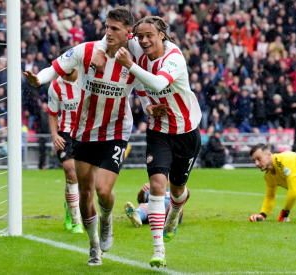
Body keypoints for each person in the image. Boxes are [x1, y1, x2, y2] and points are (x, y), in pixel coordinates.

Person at [23, 7, 146, 266]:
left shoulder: (136, 55)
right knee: (85, 190)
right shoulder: (86, 50)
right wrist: (39, 79)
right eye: (107, 27)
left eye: (115, 29)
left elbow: (154, 61)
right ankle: (93, 247)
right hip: (84, 131)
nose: (108, 32)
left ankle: (107, 220)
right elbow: (55, 67)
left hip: (116, 131)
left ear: (128, 33)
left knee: (103, 190)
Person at [93, 15, 202, 267]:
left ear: (162, 35)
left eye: (149, 36)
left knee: (177, 191)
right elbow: (114, 35)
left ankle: (174, 213)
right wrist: (101, 49)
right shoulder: (136, 46)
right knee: (156, 185)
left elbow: (157, 82)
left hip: (186, 131)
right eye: (139, 36)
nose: (143, 41)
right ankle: (158, 249)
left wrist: (129, 65)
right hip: (158, 131)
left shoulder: (173, 58)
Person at [46, 46, 83, 234]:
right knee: (71, 172)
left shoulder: (87, 78)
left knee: (85, 179)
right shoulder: (55, 86)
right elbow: (52, 114)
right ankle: (77, 222)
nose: (65, 76)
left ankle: (69, 207)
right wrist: (54, 135)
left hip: (86, 132)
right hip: (66, 133)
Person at [124, 183, 188, 228]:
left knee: (172, 205)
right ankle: (137, 217)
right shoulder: (152, 190)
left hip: (171, 212)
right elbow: (141, 200)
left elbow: (186, 196)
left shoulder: (173, 191)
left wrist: (182, 187)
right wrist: (142, 191)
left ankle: (164, 218)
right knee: (144, 205)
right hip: (154, 210)